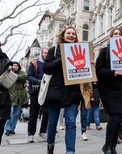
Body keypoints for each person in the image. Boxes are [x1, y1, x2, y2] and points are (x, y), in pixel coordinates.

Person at [43, 26, 83, 154]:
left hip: (73, 92)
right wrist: (62, 58)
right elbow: (47, 68)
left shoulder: (81, 50)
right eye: (68, 33)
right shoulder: (54, 50)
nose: (71, 35)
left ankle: (70, 151)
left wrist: (90, 65)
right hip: (56, 91)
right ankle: (50, 147)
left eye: (73, 34)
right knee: (52, 123)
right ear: (63, 36)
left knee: (71, 122)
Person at [96, 28, 122, 154]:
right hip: (109, 90)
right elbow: (98, 70)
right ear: (111, 37)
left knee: (118, 118)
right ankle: (108, 146)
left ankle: (112, 147)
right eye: (115, 34)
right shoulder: (104, 51)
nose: (118, 35)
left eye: (120, 34)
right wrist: (113, 72)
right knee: (114, 117)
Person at [27, 47, 49, 143]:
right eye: (45, 53)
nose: (46, 54)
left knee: (46, 113)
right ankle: (31, 134)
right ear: (41, 53)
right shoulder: (35, 63)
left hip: (48, 92)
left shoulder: (51, 64)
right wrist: (38, 82)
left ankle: (43, 132)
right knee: (33, 114)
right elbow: (29, 76)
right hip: (36, 92)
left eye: (48, 53)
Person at [4, 61, 28, 136]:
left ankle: (12, 129)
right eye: (13, 65)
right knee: (10, 112)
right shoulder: (8, 72)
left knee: (16, 114)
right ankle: (8, 128)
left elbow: (23, 78)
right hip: (10, 96)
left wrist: (12, 74)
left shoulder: (22, 73)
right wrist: (9, 71)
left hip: (20, 97)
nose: (15, 67)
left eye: (16, 65)